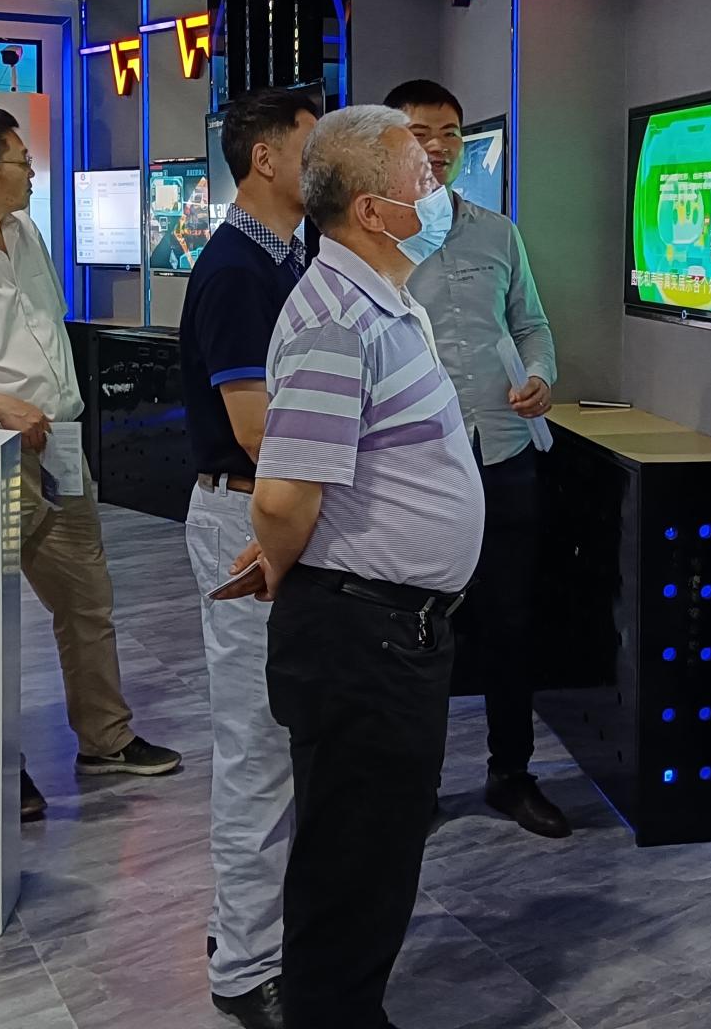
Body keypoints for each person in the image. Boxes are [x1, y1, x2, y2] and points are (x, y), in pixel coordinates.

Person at [229, 105, 485, 1029]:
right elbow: (281, 497)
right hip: (360, 636)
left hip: (386, 631)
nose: (441, 188)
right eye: (424, 177)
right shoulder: (339, 319)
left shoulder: (383, 303)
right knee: (352, 870)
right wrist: (280, 561)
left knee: (373, 858)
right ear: (373, 211)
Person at [0, 108, 181, 821]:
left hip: (61, 447)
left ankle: (105, 738)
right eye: (22, 160)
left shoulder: (26, 235)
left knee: (87, 600)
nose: (31, 171)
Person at [384, 80, 566, 838]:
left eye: (451, 133)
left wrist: (541, 377)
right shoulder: (373, 239)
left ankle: (511, 774)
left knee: (511, 623)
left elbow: (531, 324)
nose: (438, 146)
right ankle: (415, 785)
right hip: (417, 468)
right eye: (420, 132)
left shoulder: (498, 232)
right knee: (420, 631)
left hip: (504, 453)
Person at [179, 88, 319, 1029]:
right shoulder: (236, 269)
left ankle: (248, 928)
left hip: (275, 510)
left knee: (280, 743)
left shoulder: (290, 259)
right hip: (246, 512)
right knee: (258, 749)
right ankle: (244, 967)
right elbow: (260, 431)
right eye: (313, 147)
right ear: (264, 158)